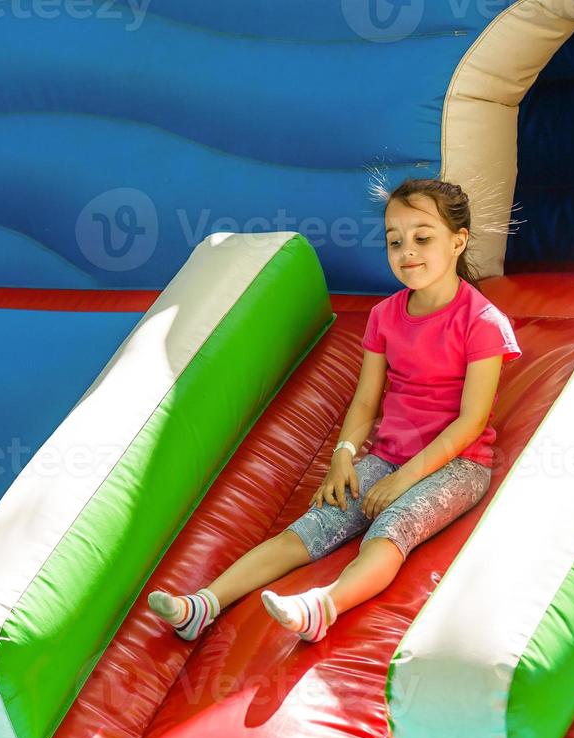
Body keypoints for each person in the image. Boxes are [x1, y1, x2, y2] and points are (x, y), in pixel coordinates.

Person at [148, 178, 520, 643]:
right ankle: (202, 605)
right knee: (311, 526)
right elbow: (366, 400)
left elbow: (471, 422)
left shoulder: (481, 322)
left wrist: (403, 480)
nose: (407, 251)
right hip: (388, 455)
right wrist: (343, 455)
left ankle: (324, 606)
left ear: (458, 241)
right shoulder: (385, 316)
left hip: (459, 465)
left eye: (423, 237)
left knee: (390, 527)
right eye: (395, 240)